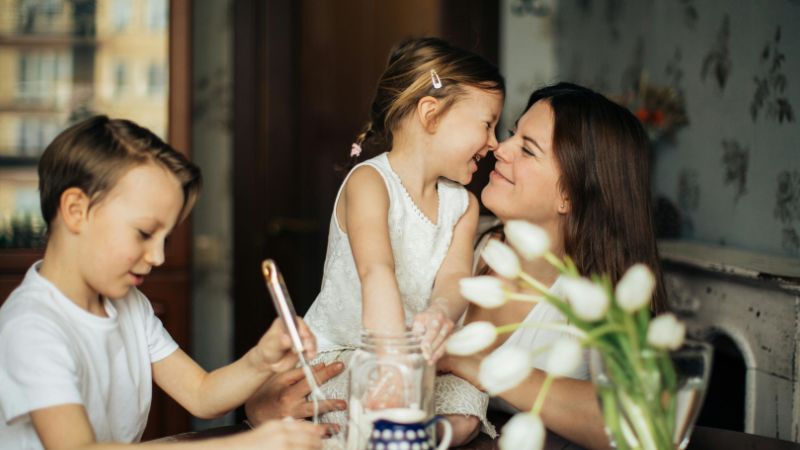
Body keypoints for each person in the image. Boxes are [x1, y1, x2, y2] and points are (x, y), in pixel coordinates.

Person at [0, 116, 325, 450]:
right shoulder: (31, 327)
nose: (158, 257)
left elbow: (201, 394)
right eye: (144, 233)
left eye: (165, 239)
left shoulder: (130, 304)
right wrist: (241, 445)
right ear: (75, 210)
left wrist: (262, 360)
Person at [292, 37, 504, 445]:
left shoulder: (463, 205)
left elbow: (455, 278)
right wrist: (392, 366)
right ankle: (397, 427)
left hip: (417, 362)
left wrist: (441, 312)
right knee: (364, 406)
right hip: (348, 353)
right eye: (487, 124)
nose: (494, 142)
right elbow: (377, 272)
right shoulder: (370, 182)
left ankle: (411, 433)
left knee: (467, 409)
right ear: (431, 114)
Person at [439, 82, 668, 450]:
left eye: (527, 149)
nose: (500, 147)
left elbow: (647, 422)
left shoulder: (596, 300)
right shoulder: (457, 237)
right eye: (512, 133)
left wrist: (487, 368)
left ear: (569, 195)